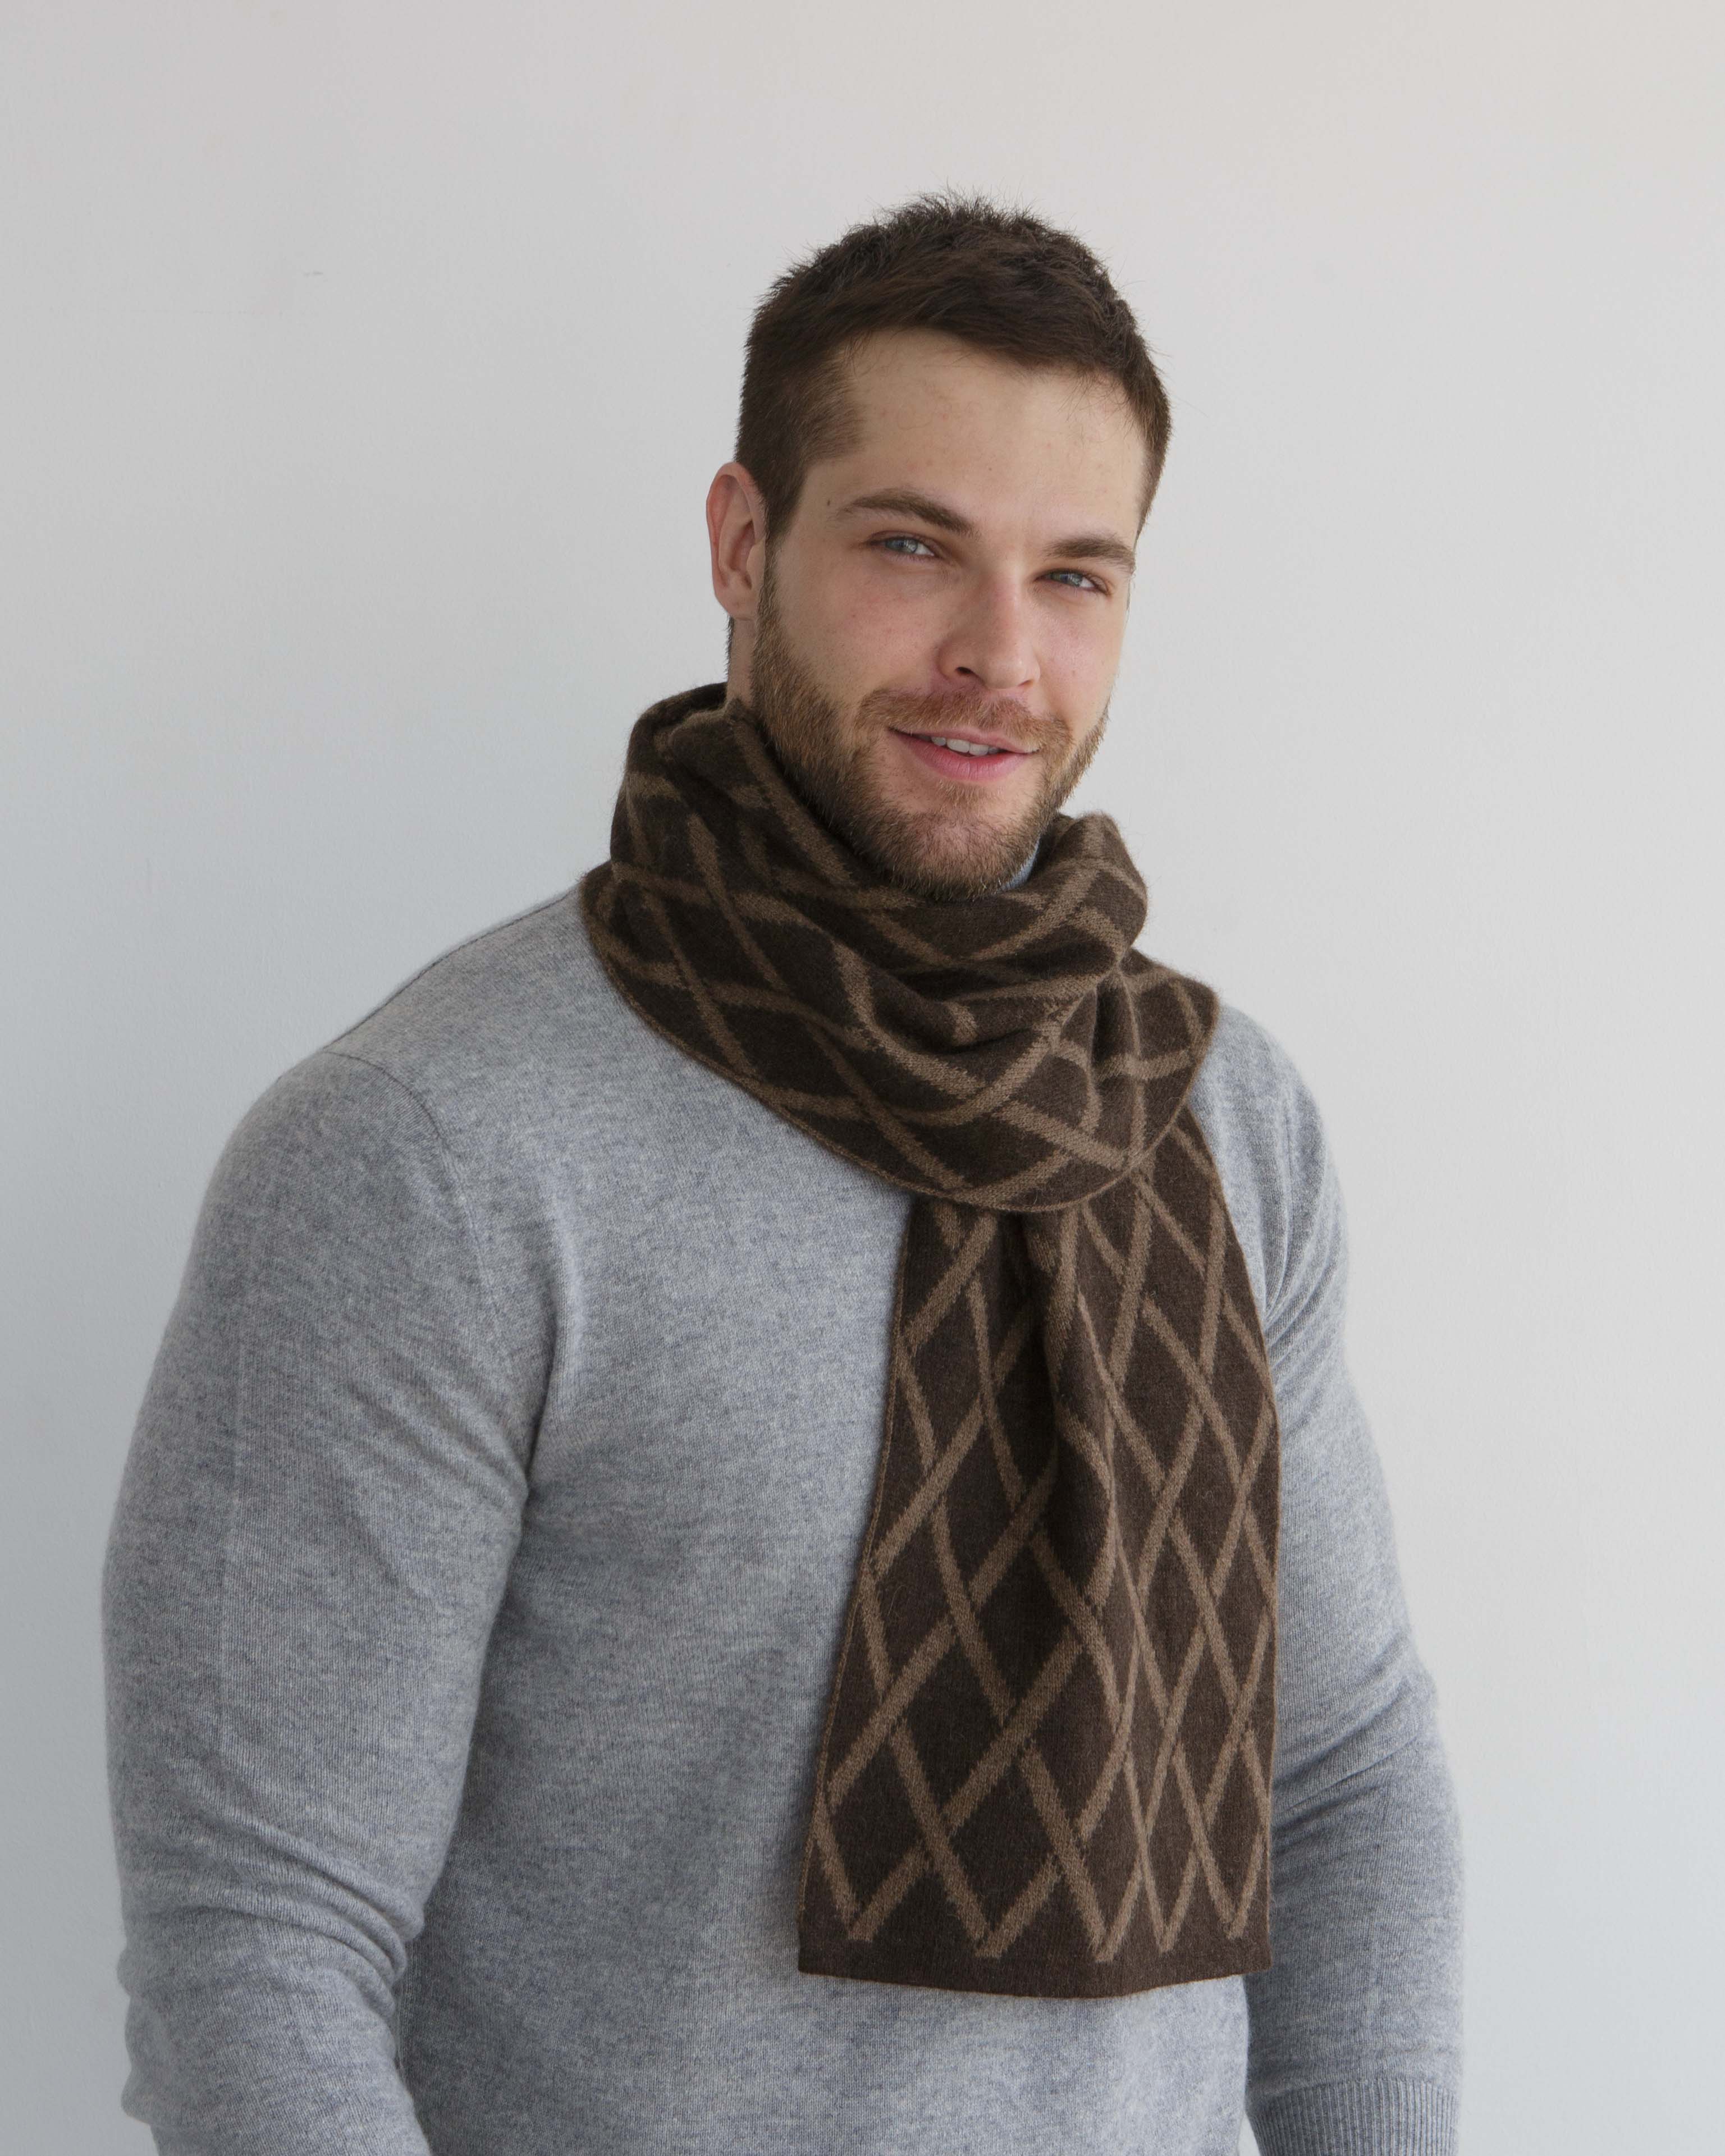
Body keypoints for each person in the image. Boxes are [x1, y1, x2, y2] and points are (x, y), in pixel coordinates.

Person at [103, 195, 1463, 2155]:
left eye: (1074, 575)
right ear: (743, 544)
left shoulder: (1219, 1114)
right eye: (913, 546)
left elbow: (1337, 1767)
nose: (998, 655)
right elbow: (259, 1944)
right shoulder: (429, 1152)